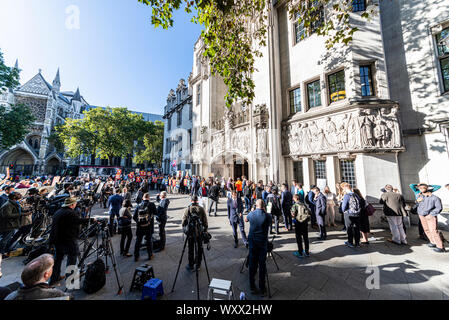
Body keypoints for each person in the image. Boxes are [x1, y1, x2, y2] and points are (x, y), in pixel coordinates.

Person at [49, 197, 93, 285]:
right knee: (72, 257)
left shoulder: (59, 211)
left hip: (57, 239)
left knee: (58, 259)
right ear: (72, 204)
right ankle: (70, 278)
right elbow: (78, 221)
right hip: (68, 239)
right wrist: (91, 219)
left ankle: (54, 278)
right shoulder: (70, 213)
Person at [5, 254, 71, 300]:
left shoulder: (10, 297)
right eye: (52, 267)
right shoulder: (56, 294)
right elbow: (69, 297)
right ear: (46, 274)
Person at [0, 192, 32, 278]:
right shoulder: (8, 205)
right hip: (8, 226)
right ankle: (2, 252)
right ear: (14, 197)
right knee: (4, 240)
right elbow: (7, 215)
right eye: (18, 196)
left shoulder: (12, 203)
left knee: (7, 238)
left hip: (11, 225)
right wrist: (22, 214)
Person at [245, 199, 271, 296]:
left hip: (253, 242)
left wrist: (252, 211)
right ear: (264, 206)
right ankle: (262, 287)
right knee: (262, 264)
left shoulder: (251, 214)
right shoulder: (267, 215)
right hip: (262, 242)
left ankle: (252, 286)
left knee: (252, 263)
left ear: (256, 205)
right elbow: (270, 223)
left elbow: (246, 219)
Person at [415, 184, 445, 252]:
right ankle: (433, 242)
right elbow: (417, 204)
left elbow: (439, 208)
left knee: (434, 231)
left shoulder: (435, 198)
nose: (421, 189)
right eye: (420, 188)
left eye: (423, 187)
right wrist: (417, 201)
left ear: (427, 188)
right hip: (421, 215)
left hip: (430, 216)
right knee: (426, 230)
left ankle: (440, 247)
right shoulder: (419, 196)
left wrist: (431, 214)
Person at [182, 195, 208, 272]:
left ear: (191, 200)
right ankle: (198, 264)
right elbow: (205, 222)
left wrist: (185, 228)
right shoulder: (201, 209)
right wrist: (205, 230)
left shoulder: (188, 209)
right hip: (199, 232)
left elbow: (183, 222)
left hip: (190, 233)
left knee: (190, 249)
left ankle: (191, 265)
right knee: (200, 248)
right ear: (197, 201)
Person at [133, 193, 156, 261]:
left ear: (143, 198)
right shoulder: (151, 204)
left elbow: (134, 217)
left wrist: (139, 222)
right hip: (149, 226)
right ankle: (150, 255)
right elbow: (155, 213)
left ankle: (136, 256)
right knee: (149, 241)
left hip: (140, 227)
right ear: (149, 198)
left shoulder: (138, 205)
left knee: (138, 241)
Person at [340, 183, 362, 248]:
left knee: (349, 228)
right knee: (356, 228)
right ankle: (357, 243)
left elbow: (344, 206)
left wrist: (344, 211)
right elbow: (359, 203)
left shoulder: (347, 195)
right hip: (357, 213)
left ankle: (350, 242)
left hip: (349, 214)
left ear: (345, 188)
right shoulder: (356, 194)